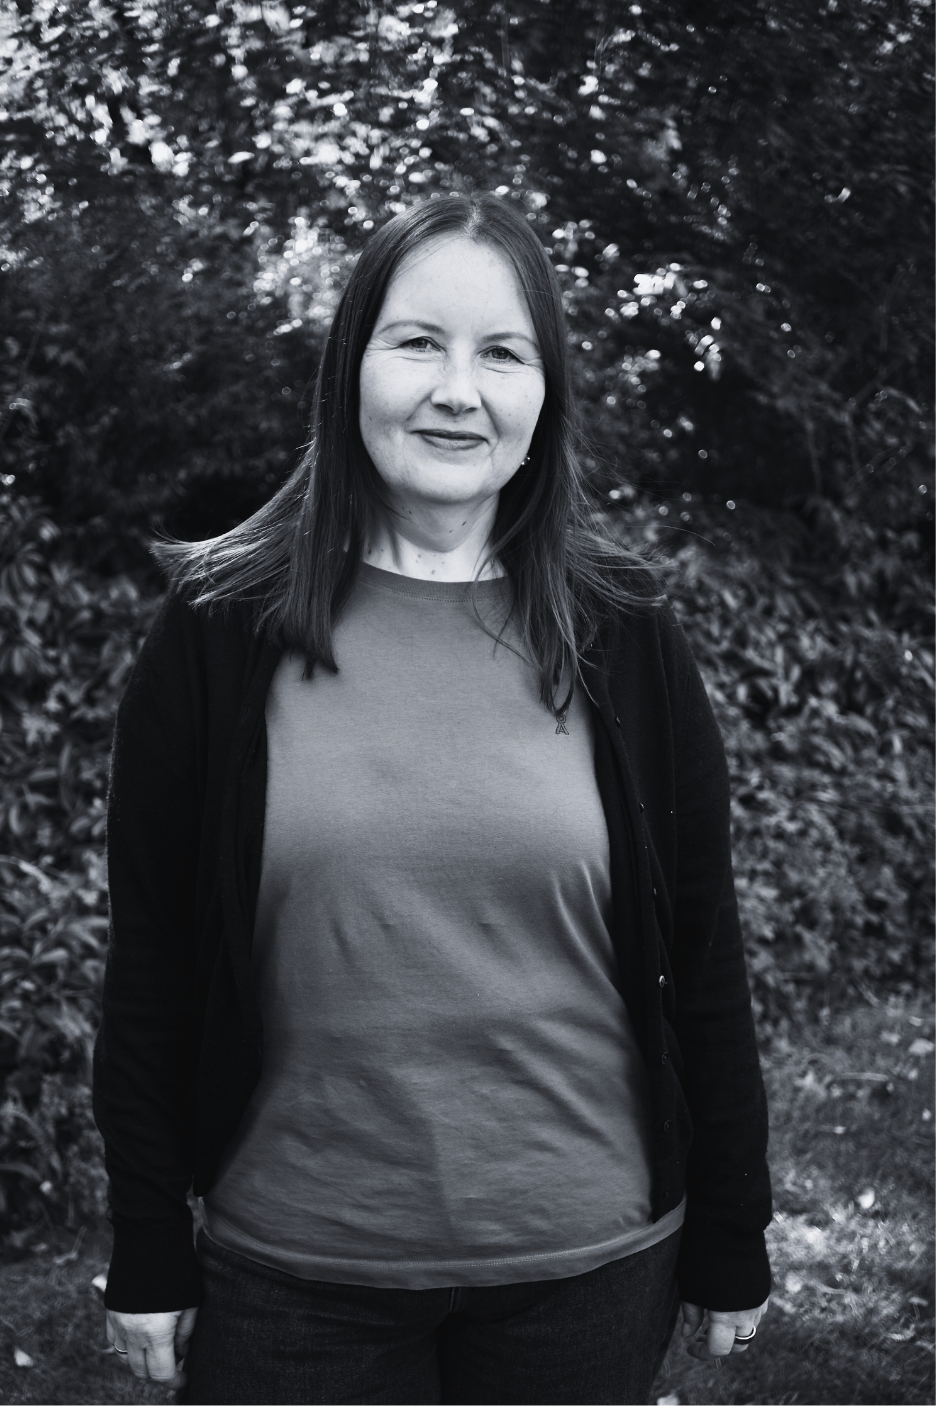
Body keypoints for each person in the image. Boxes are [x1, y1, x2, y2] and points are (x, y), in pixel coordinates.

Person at [92, 191, 772, 1405]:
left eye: (502, 353)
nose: (459, 390)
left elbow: (701, 949)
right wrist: (147, 1234)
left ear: (543, 396)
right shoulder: (216, 630)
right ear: (350, 366)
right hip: (291, 1273)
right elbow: (150, 960)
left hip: (588, 1266)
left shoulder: (625, 630)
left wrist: (732, 1222)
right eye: (417, 342)